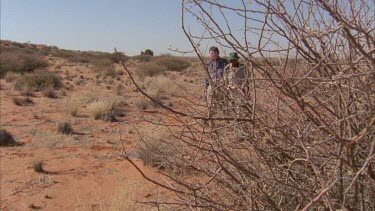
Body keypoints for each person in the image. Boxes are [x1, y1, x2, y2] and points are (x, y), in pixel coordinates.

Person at [204, 46, 228, 117]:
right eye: (211, 54)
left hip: (222, 87)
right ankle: (211, 123)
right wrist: (205, 87)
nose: (213, 55)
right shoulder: (208, 64)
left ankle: (227, 122)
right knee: (211, 106)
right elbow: (206, 77)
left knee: (223, 105)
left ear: (218, 53)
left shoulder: (224, 63)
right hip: (211, 87)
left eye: (214, 54)